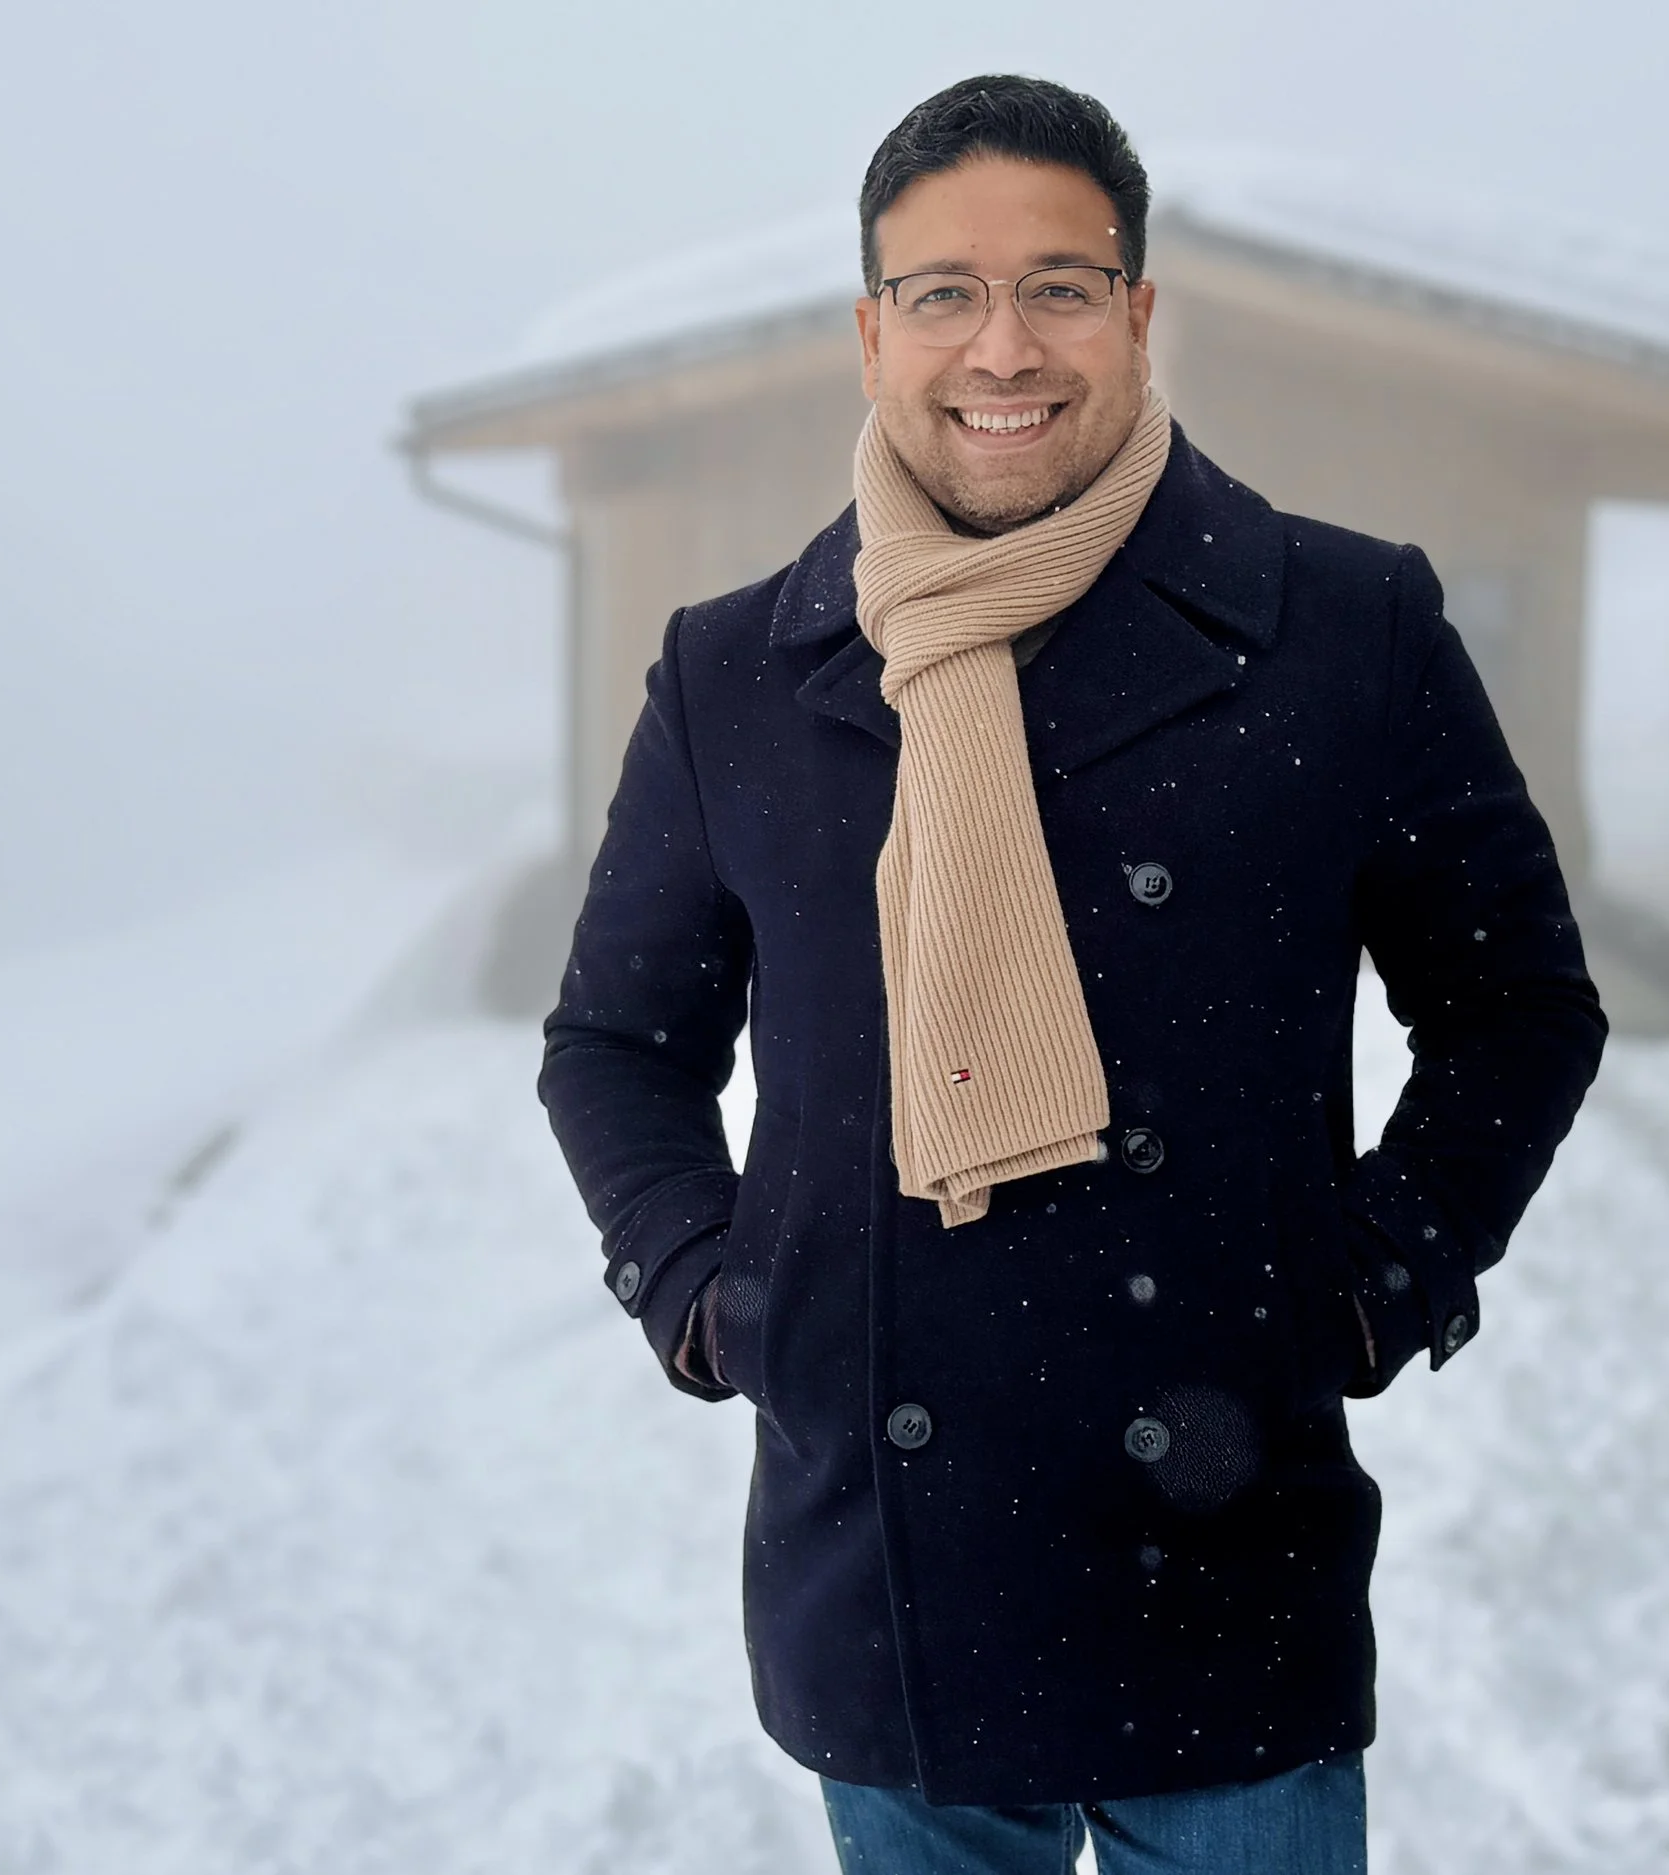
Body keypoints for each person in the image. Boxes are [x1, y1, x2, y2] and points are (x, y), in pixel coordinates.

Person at [537, 73, 1607, 1875]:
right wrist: (714, 1294)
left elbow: (1518, 1004)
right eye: (942, 292)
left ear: (1137, 311)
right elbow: (614, 1045)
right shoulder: (735, 675)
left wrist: (1372, 1279)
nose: (999, 344)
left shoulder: (1343, 629)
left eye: (1056, 282)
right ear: (872, 334)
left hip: (1223, 1552)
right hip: (889, 1580)